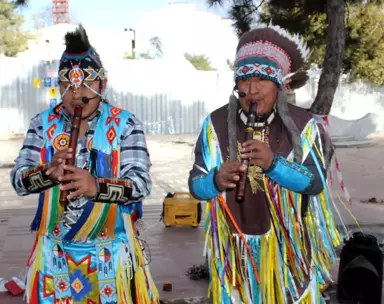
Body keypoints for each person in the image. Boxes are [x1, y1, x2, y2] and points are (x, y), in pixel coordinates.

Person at [188, 23, 342, 303]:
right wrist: (215, 180)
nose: (252, 90)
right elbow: (196, 187)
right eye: (244, 81)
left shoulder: (305, 126)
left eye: (262, 80)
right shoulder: (215, 124)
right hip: (235, 252)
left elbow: (315, 183)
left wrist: (274, 164)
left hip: (289, 253)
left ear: (280, 85)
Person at [10, 25, 159, 304]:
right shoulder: (43, 124)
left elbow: (141, 185)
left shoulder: (125, 124)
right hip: (54, 258)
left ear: (102, 84)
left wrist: (96, 187)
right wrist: (45, 173)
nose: (76, 96)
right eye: (67, 86)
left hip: (111, 256)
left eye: (85, 85)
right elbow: (18, 181)